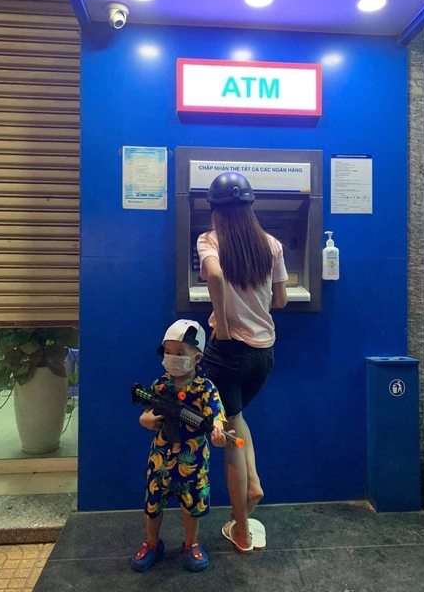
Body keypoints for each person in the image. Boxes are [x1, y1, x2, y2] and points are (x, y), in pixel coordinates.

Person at [197, 172, 288, 553]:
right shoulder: (271, 244)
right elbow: (280, 300)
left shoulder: (209, 240)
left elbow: (215, 275)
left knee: (229, 434)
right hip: (263, 353)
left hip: (228, 351)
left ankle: (242, 531)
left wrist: (223, 323)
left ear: (215, 209)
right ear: (250, 206)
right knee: (235, 417)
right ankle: (253, 484)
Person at [131, 319, 228, 573]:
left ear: (197, 358)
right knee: (153, 503)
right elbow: (147, 409)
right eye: (168, 352)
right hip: (161, 457)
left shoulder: (206, 388)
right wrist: (145, 419)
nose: (172, 358)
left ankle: (191, 543)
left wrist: (218, 429)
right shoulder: (161, 384)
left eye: (180, 353)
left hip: (192, 459)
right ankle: (152, 543)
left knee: (192, 504)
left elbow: (216, 413)